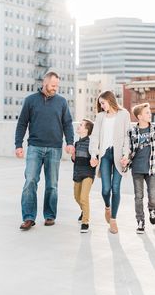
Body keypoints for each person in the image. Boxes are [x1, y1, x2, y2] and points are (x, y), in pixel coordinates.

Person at [15, 71, 74, 230]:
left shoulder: (61, 102)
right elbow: (22, 124)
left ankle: (49, 215)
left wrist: (70, 142)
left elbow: (68, 123)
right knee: (30, 181)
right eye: (53, 85)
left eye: (57, 86)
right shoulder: (30, 100)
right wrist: (18, 145)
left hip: (55, 148)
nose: (55, 88)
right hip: (35, 147)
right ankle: (28, 217)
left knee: (52, 185)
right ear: (45, 82)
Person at [89, 91, 131, 234]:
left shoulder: (124, 114)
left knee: (116, 188)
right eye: (100, 103)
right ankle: (107, 206)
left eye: (103, 103)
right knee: (106, 189)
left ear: (110, 100)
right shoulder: (100, 116)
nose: (101, 106)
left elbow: (127, 136)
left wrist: (126, 155)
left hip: (119, 156)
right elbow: (94, 137)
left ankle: (113, 220)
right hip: (105, 155)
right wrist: (93, 154)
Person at [122, 103, 155, 234]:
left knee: (153, 195)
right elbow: (128, 149)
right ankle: (140, 221)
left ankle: (152, 209)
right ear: (139, 116)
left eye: (150, 112)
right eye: (147, 112)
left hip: (151, 169)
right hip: (137, 169)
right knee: (138, 196)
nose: (150, 114)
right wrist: (125, 159)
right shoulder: (132, 132)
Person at [71, 119, 96, 233]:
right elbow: (74, 160)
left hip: (88, 173)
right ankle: (83, 211)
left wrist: (95, 160)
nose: (78, 126)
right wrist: (72, 154)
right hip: (77, 173)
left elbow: (95, 158)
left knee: (83, 197)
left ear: (86, 129)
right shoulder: (77, 143)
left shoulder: (91, 143)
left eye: (81, 125)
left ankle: (85, 222)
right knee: (77, 197)